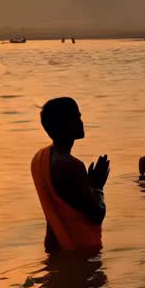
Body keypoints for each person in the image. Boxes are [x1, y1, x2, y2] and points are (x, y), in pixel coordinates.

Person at [31, 97, 108, 253]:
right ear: (64, 124)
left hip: (55, 245)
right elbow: (96, 214)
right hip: (79, 250)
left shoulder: (39, 157)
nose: (81, 122)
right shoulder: (71, 165)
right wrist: (97, 187)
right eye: (77, 117)